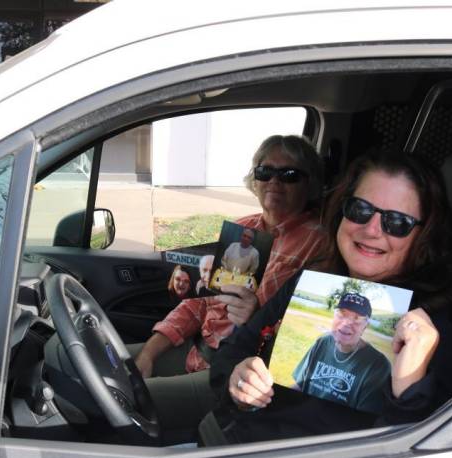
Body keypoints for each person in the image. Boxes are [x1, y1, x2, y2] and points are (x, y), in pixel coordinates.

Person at [207, 150, 452, 444]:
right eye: (360, 210)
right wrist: (237, 380)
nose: (371, 230)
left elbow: (423, 454)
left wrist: (409, 386)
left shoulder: (440, 329)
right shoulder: (310, 282)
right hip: (235, 438)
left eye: (397, 222)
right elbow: (233, 352)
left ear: (423, 236)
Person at [130, 135, 327, 440]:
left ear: (310, 184)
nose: (274, 181)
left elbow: (308, 340)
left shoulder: (320, 242)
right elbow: (200, 303)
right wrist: (149, 353)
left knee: (128, 400)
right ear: (255, 179)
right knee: (118, 366)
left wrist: (257, 316)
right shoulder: (242, 230)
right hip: (199, 349)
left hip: (240, 372)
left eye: (289, 175)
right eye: (265, 172)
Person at [291, 292, 390, 414]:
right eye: (341, 314)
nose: (346, 323)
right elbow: (300, 385)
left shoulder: (378, 366)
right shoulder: (322, 342)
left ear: (366, 325)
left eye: (357, 318)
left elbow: (364, 423)